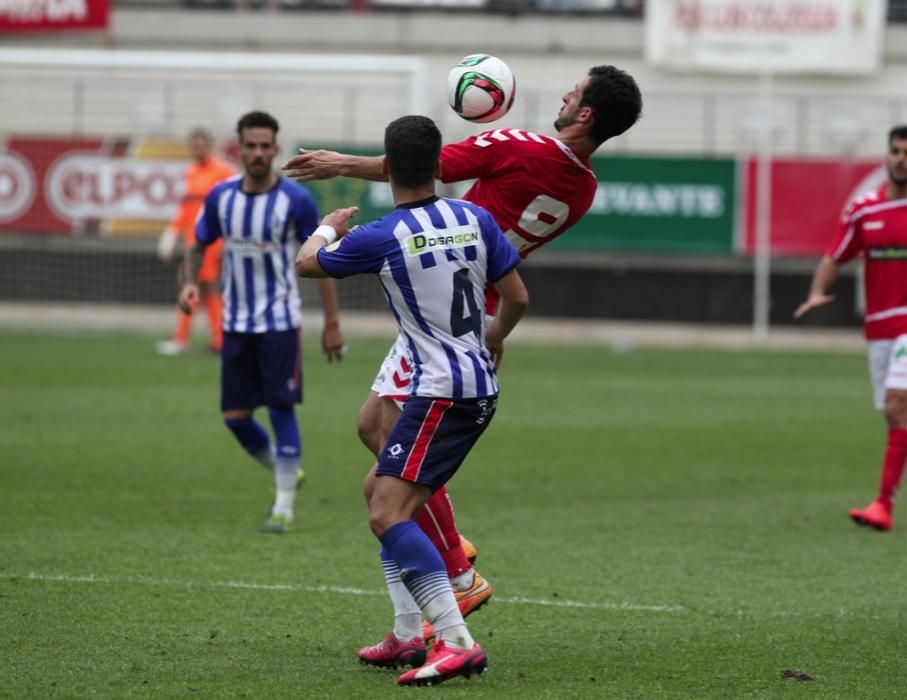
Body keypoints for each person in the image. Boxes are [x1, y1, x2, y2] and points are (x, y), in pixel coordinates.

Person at [284, 65, 642, 633]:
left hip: (440, 297)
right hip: (477, 306)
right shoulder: (584, 186)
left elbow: (423, 167)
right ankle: (429, 574)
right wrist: (497, 333)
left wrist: (337, 164)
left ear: (586, 113)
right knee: (373, 424)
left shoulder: (519, 145)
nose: (564, 93)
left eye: (573, 91)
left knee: (387, 461)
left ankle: (454, 567)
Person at [295, 114, 528, 686]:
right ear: (439, 162)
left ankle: (455, 641)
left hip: (441, 393)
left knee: (386, 512)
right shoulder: (475, 217)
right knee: (379, 485)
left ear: (388, 167)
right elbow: (518, 298)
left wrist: (328, 227)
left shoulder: (383, 235)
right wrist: (491, 341)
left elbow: (305, 264)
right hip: (471, 383)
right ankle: (405, 634)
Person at [178, 111, 346, 533]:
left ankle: (283, 507)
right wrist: (188, 285)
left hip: (280, 324)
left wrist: (331, 323)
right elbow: (197, 245)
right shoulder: (221, 198)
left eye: (264, 145)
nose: (257, 153)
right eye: (249, 145)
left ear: (275, 149)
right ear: (240, 148)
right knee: (235, 417)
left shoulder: (296, 201)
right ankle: (285, 469)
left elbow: (320, 259)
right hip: (236, 324)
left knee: (280, 408)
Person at [795, 124, 907, 532]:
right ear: (887, 155)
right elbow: (835, 256)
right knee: (895, 415)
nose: (900, 158)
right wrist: (816, 291)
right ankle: (885, 503)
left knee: (898, 404)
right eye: (896, 151)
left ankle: (883, 506)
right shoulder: (865, 210)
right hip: (880, 329)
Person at [157, 127, 235, 356]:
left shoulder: (223, 171)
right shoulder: (190, 172)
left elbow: (232, 206)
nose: (198, 148)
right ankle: (219, 341)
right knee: (206, 289)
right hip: (193, 241)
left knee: (193, 285)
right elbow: (185, 208)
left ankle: (183, 338)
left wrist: (227, 238)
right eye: (195, 144)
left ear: (210, 145)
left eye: (202, 143)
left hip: (212, 240)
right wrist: (172, 232)